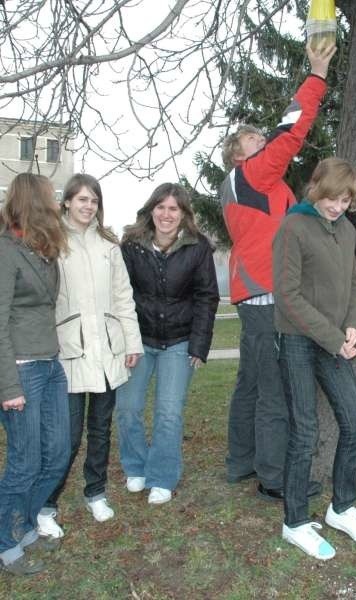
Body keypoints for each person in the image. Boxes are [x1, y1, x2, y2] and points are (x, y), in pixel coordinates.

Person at [219, 42, 336, 500]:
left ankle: (240, 461)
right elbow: (291, 131)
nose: (263, 142)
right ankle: (272, 478)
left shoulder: (255, 187)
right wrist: (317, 74)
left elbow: (293, 220)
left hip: (254, 295)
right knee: (275, 392)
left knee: (250, 383)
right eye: (252, 140)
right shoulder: (252, 175)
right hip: (267, 296)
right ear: (238, 155)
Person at [273, 157, 356, 560]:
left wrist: (353, 325)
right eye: (332, 197)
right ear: (315, 187)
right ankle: (295, 522)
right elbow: (287, 295)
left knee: (355, 423)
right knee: (305, 432)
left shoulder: (347, 229)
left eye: (345, 199)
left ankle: (342, 508)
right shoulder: (293, 226)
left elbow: (353, 282)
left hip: (335, 340)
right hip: (297, 340)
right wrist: (335, 338)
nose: (337, 206)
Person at [35, 174, 143, 538]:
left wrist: (132, 343)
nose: (88, 206)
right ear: (66, 202)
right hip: (67, 352)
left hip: (107, 351)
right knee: (65, 437)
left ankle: (95, 492)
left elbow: (123, 297)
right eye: (81, 200)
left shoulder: (109, 245)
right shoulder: (51, 242)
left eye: (93, 200)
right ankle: (47, 503)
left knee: (99, 430)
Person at [116, 183, 219, 505]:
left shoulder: (198, 247)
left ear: (183, 213)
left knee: (168, 414)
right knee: (128, 408)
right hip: (138, 340)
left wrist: (198, 347)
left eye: (173, 208)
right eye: (160, 207)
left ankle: (162, 476)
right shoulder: (132, 245)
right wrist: (123, 340)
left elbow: (206, 298)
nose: (166, 214)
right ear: (151, 210)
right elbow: (121, 295)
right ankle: (136, 467)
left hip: (179, 341)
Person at [0, 173, 70, 575]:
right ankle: (5, 539)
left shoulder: (45, 251)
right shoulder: (6, 251)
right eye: (53, 199)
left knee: (57, 454)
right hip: (21, 370)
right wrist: (8, 386)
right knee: (24, 463)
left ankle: (24, 525)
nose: (58, 205)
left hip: (50, 363)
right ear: (35, 203)